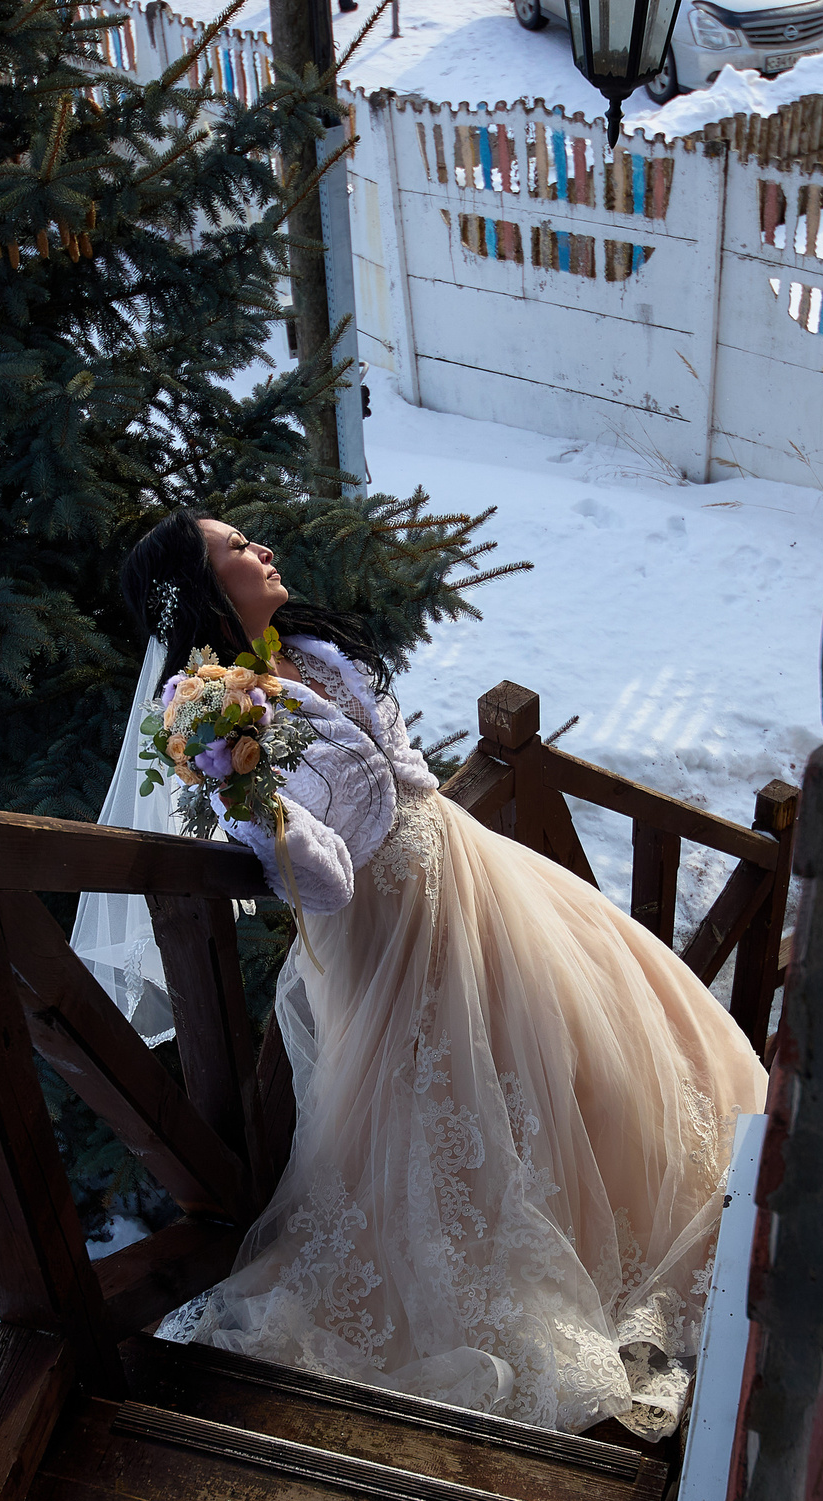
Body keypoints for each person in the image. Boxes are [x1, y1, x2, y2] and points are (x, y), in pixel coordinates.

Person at [109, 509, 768, 1441]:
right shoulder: (215, 715)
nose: (262, 547)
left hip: (464, 874)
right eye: (235, 550)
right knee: (438, 1114)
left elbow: (404, 769)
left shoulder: (308, 650)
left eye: (255, 537)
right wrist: (252, 800)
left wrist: (441, 837)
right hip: (381, 935)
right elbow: (326, 880)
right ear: (209, 590)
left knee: (552, 1047)